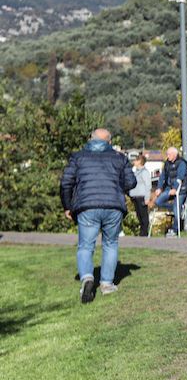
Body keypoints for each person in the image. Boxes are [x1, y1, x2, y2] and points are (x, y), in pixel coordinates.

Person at [60, 128, 137, 302]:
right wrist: (116, 188)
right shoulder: (119, 158)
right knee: (110, 243)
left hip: (87, 206)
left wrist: (68, 206)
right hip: (113, 206)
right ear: (109, 142)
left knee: (86, 246)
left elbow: (66, 182)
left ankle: (87, 278)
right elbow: (131, 181)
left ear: (90, 139)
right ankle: (107, 284)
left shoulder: (78, 157)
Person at [152, 146, 187, 237]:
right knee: (158, 201)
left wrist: (175, 188)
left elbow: (180, 177)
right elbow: (162, 177)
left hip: (181, 189)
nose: (167, 156)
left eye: (169, 154)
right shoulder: (167, 164)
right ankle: (177, 208)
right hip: (169, 187)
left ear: (174, 154)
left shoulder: (182, 163)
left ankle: (175, 229)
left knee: (177, 209)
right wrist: (159, 188)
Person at [128, 153, 153, 237]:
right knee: (138, 215)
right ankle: (141, 232)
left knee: (143, 215)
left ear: (140, 161)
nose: (134, 162)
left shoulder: (144, 172)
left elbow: (148, 185)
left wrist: (147, 198)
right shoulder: (135, 172)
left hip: (142, 196)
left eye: (136, 160)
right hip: (135, 196)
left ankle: (144, 233)